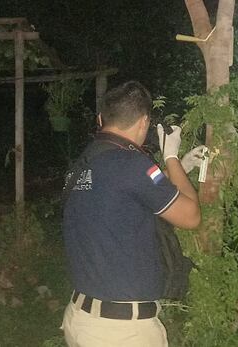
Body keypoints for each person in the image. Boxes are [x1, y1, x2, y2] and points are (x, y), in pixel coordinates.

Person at [61, 81, 205, 347]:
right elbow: (191, 217)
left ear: (101, 119)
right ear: (144, 122)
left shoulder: (80, 165)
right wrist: (171, 157)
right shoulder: (132, 164)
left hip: (81, 319)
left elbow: (128, 204)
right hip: (120, 334)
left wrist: (181, 168)